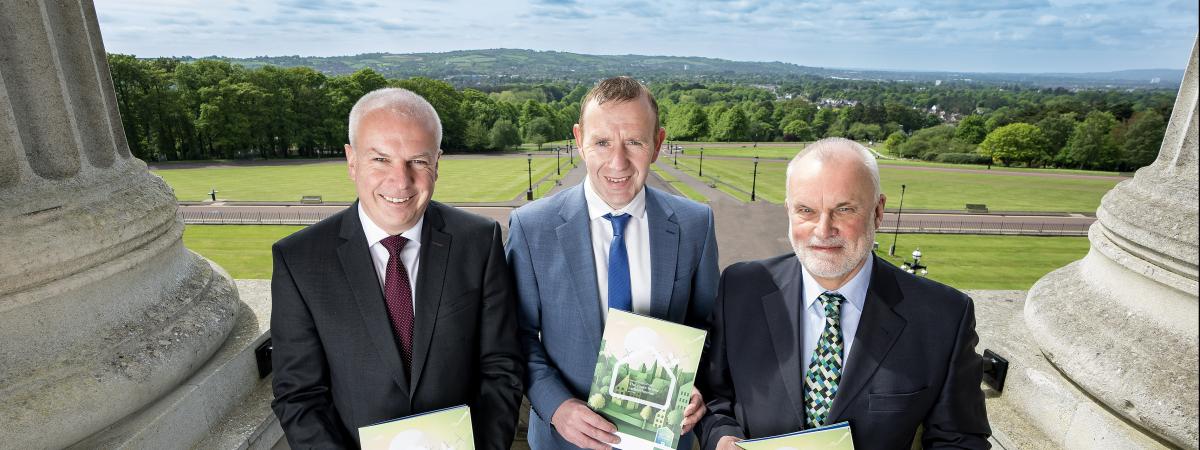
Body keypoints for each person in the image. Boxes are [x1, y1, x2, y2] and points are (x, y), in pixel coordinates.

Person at [696, 138, 991, 449]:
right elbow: (716, 396)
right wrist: (723, 438)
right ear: (789, 211)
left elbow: (960, 440)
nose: (823, 230)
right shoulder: (741, 288)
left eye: (844, 209)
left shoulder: (943, 317)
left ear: (878, 211)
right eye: (806, 210)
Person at [270, 88, 523, 449]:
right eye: (381, 160)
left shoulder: (479, 242)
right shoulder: (299, 260)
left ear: (437, 162)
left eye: (417, 161)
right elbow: (299, 394)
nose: (400, 181)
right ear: (351, 160)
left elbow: (501, 367)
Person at [506, 76, 719, 449]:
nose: (617, 161)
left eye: (634, 141)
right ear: (578, 140)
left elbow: (710, 326)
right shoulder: (531, 227)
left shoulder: (695, 224)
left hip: (664, 439)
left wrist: (699, 386)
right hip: (564, 441)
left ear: (657, 144)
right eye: (602, 142)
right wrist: (556, 407)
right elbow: (515, 336)